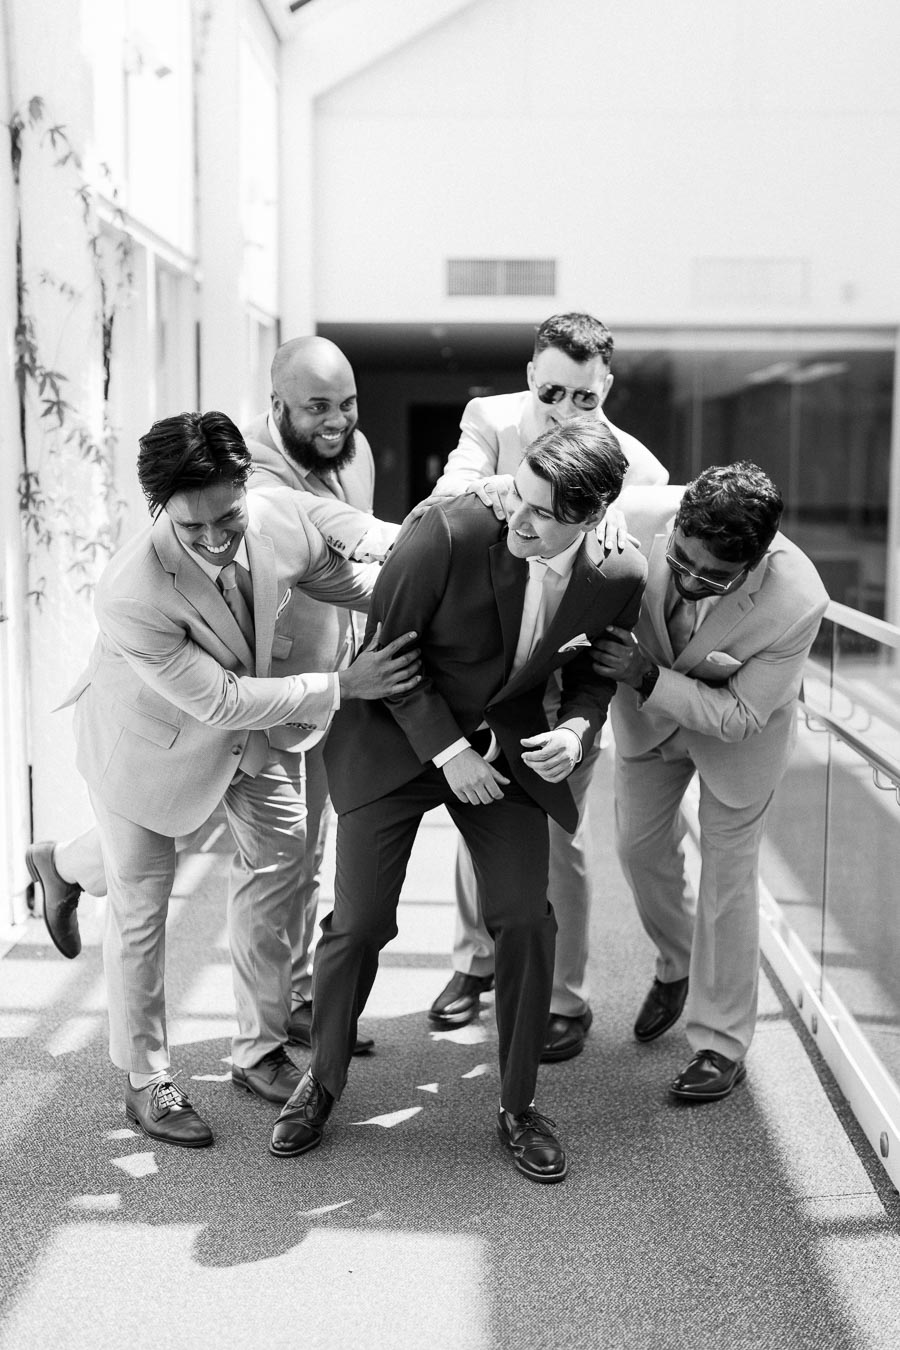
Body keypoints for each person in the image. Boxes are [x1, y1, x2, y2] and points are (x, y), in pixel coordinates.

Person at [268, 417, 647, 1184]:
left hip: (505, 751)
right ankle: (324, 1080)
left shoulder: (619, 574)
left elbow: (594, 675)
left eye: (543, 513)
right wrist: (450, 754)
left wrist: (575, 732)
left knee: (525, 920)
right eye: (520, 495)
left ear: (596, 515)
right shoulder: (445, 531)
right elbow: (386, 660)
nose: (519, 517)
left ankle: (517, 1104)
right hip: (396, 738)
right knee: (363, 921)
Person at [28, 411, 419, 1148]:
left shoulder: (275, 517)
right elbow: (218, 700)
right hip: (147, 742)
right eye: (190, 526)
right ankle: (146, 1082)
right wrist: (345, 683)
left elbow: (351, 580)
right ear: (158, 510)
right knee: (143, 901)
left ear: (248, 486)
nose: (215, 538)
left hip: (256, 733)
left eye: (227, 518)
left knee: (279, 864)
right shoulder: (131, 591)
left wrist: (449, 563)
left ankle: (258, 1046)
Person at [425, 311, 669, 1062]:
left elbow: (655, 518)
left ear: (608, 389)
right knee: (476, 818)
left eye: (586, 400)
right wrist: (545, 495)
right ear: (533, 378)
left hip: (565, 679)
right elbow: (449, 496)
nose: (568, 412)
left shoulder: (636, 464)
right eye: (554, 394)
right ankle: (477, 960)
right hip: (485, 667)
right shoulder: (489, 418)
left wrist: (612, 509)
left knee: (558, 836)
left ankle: (566, 997)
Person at [591, 462, 828, 1102]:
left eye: (716, 576)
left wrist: (647, 677)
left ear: (756, 562)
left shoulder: (798, 599)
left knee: (729, 884)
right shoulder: (633, 517)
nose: (693, 582)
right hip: (648, 729)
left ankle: (721, 1045)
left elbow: (744, 714)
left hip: (737, 744)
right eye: (684, 563)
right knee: (636, 852)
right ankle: (677, 963)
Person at [241, 335, 400, 1057]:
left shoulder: (354, 449)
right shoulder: (248, 469)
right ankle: (263, 1036)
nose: (339, 422)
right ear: (278, 406)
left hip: (336, 682)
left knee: (307, 853)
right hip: (265, 685)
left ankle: (300, 999)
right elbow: (333, 547)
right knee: (265, 863)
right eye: (318, 408)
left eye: (348, 403)